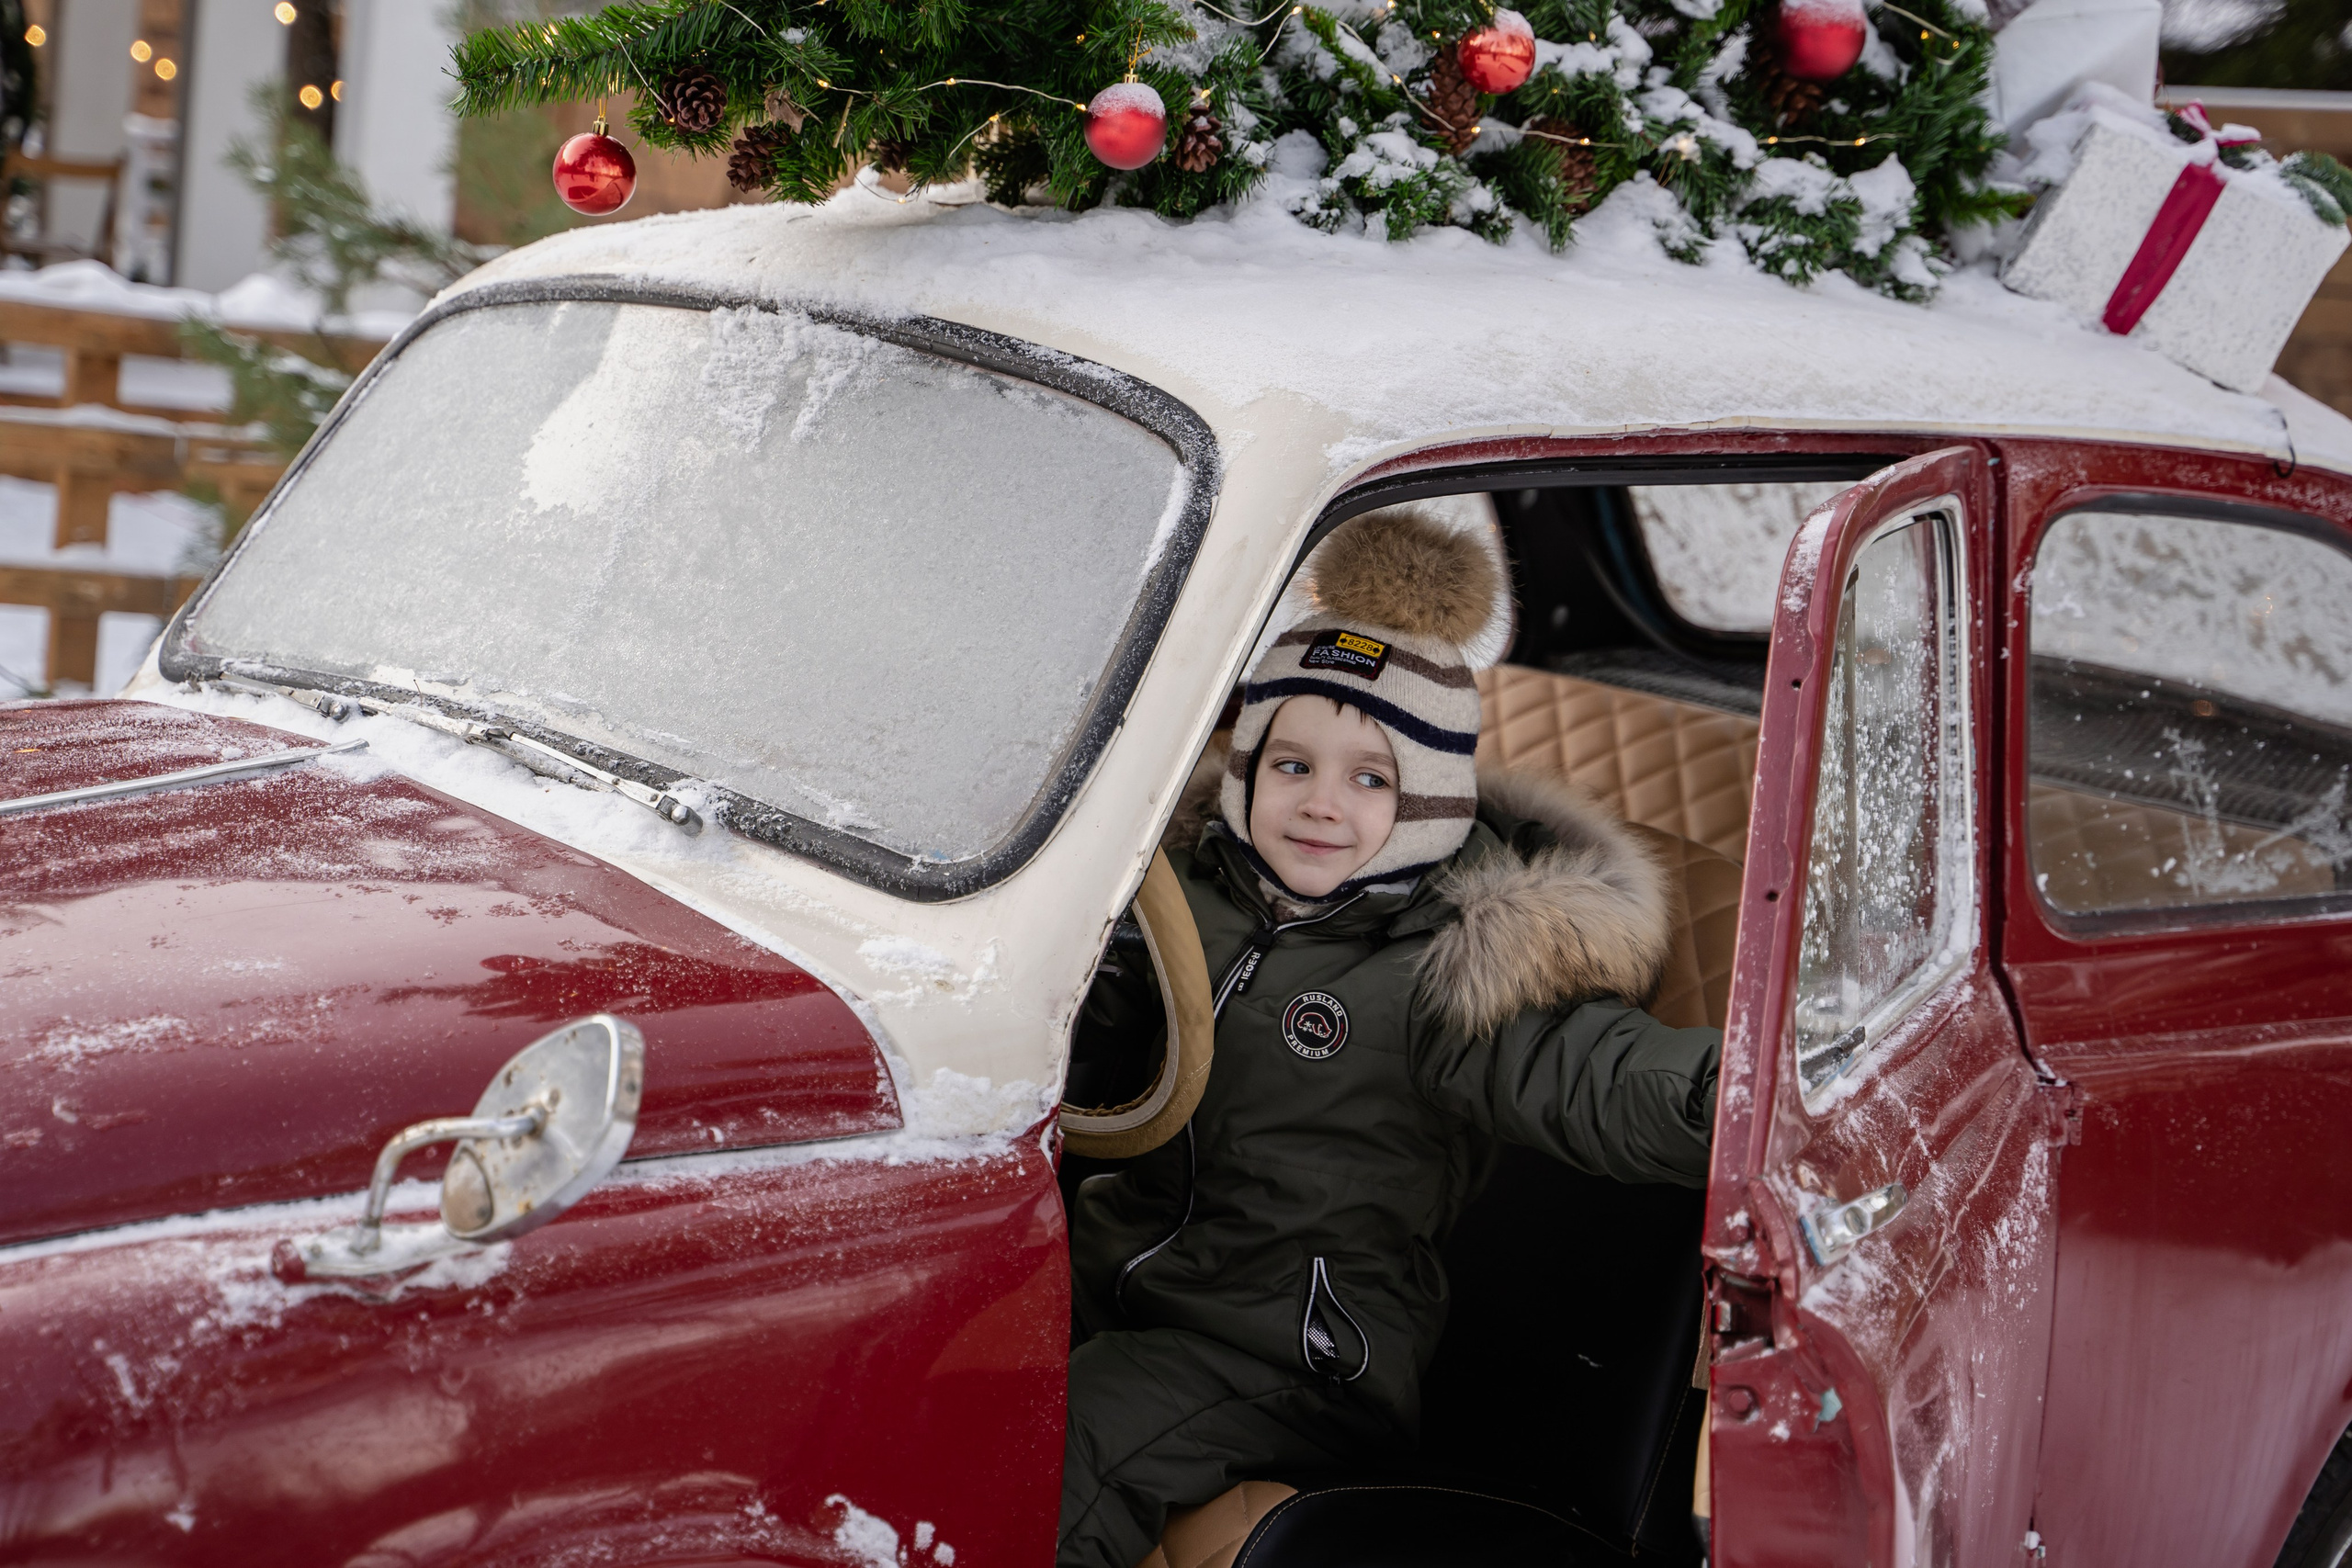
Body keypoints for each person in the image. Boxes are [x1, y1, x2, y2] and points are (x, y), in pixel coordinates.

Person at [1057, 506, 1724, 1568]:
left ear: (1433, 800)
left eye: (1373, 778)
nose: (1323, 804)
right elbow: (1062, 1014)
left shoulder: (1452, 964)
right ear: (1243, 770)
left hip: (1290, 1351)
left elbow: (1592, 1074)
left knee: (1070, 1440)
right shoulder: (1182, 890)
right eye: (1292, 765)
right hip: (1108, 1276)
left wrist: (1757, 1093)